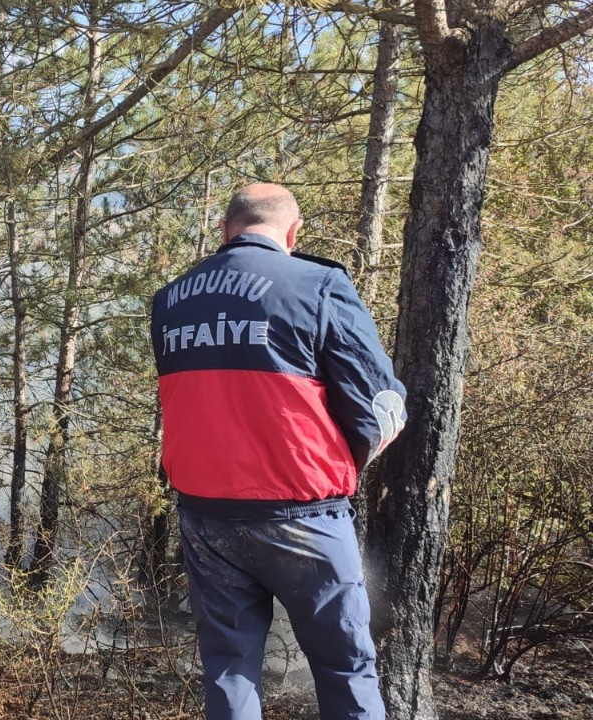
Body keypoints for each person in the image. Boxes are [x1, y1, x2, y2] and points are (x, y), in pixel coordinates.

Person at [150, 183, 406, 720]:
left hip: (205, 514)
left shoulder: (170, 300)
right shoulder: (318, 284)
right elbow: (380, 407)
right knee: (345, 669)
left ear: (226, 231)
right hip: (304, 514)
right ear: (293, 233)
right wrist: (344, 462)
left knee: (228, 670)